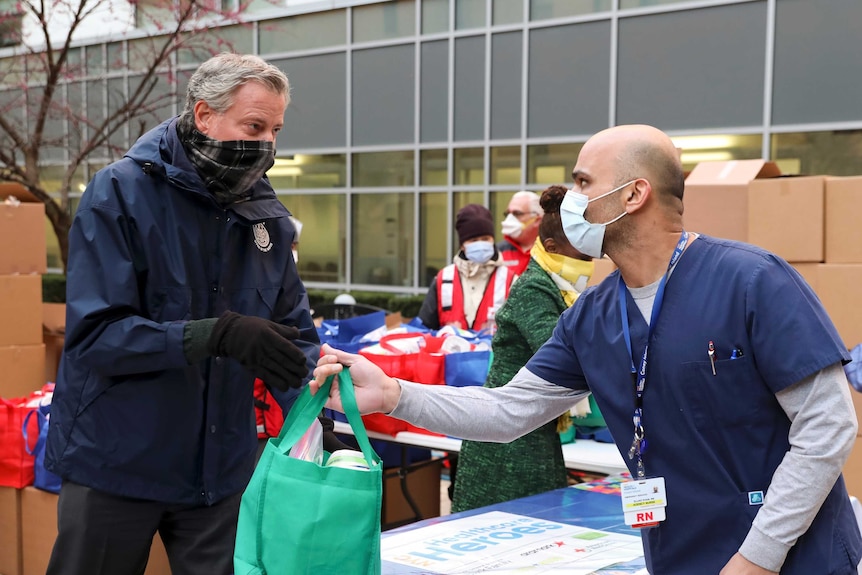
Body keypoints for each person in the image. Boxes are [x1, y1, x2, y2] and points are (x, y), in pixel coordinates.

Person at [313, 124, 862, 575]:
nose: (568, 199)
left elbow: (827, 426)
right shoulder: (592, 316)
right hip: (681, 555)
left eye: (582, 181)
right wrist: (393, 393)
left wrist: (757, 560)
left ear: (633, 195)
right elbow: (509, 411)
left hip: (792, 560)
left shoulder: (751, 280)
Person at [45, 53, 327, 575]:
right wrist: (213, 335)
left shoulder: (267, 217)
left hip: (221, 474)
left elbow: (295, 340)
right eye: (254, 126)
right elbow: (96, 337)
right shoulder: (118, 195)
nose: (267, 144)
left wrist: (317, 415)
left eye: (275, 130)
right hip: (116, 464)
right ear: (204, 115)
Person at [452, 185, 598, 513]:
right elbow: (566, 357)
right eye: (583, 254)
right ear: (551, 247)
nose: (589, 263)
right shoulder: (534, 288)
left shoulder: (559, 288)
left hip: (527, 427)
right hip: (507, 441)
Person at [418, 203, 518, 331]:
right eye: (474, 240)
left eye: (485, 238)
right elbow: (424, 328)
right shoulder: (443, 279)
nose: (481, 244)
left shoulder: (511, 280)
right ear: (462, 245)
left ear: (493, 240)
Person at [497, 190, 543, 275]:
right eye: (508, 214)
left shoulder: (551, 250)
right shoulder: (498, 251)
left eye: (517, 213)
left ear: (537, 219)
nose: (510, 218)